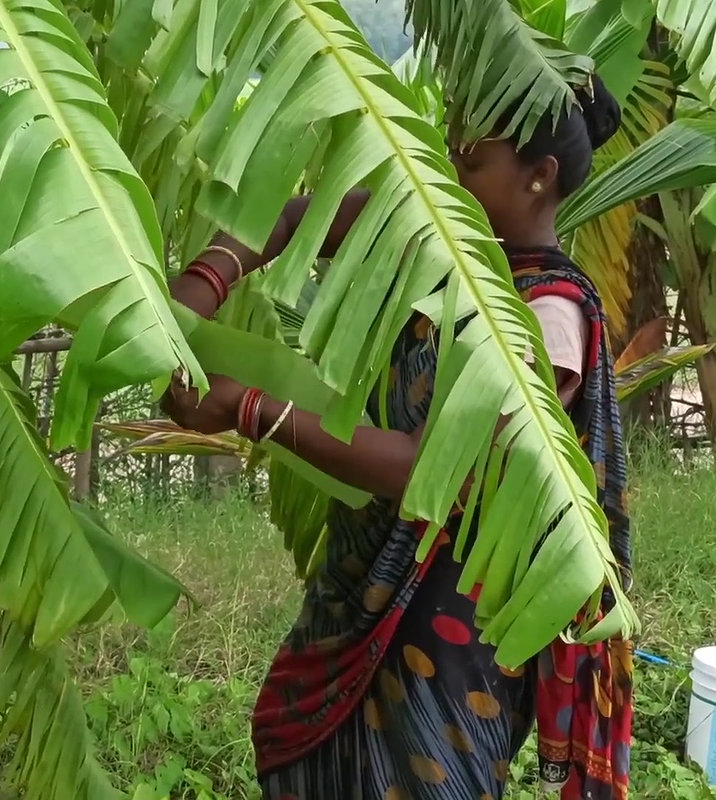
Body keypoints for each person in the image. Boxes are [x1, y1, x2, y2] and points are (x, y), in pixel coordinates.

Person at [161, 75, 634, 800]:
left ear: (539, 177)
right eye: (449, 150)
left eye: (471, 161)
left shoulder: (549, 319)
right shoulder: (439, 241)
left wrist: (249, 409)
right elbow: (294, 220)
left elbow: (429, 470)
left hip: (452, 619)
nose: (449, 171)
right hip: (364, 578)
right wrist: (201, 285)